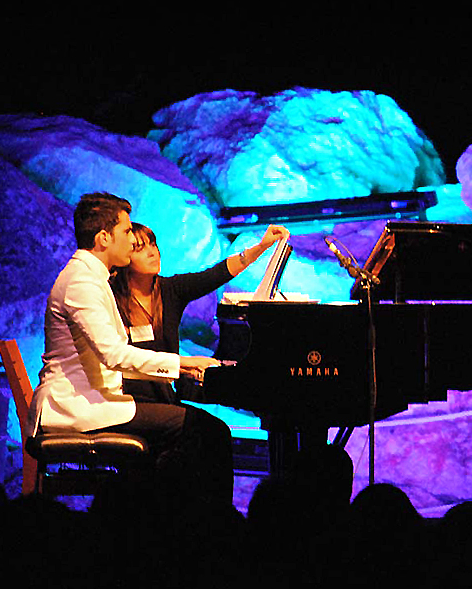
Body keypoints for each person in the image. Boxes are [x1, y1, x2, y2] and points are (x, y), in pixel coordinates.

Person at [28, 192, 229, 503]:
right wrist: (185, 364)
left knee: (199, 428)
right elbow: (113, 354)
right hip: (80, 408)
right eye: (125, 232)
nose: (130, 239)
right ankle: (200, 525)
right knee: (199, 429)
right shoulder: (82, 283)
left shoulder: (92, 278)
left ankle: (168, 518)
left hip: (100, 400)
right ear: (104, 238)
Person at [109, 220, 288, 404]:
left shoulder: (170, 290)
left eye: (153, 244)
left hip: (164, 398)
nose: (153, 252)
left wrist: (261, 246)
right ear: (123, 257)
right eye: (140, 249)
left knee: (214, 427)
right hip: (126, 399)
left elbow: (217, 274)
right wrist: (187, 364)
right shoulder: (110, 297)